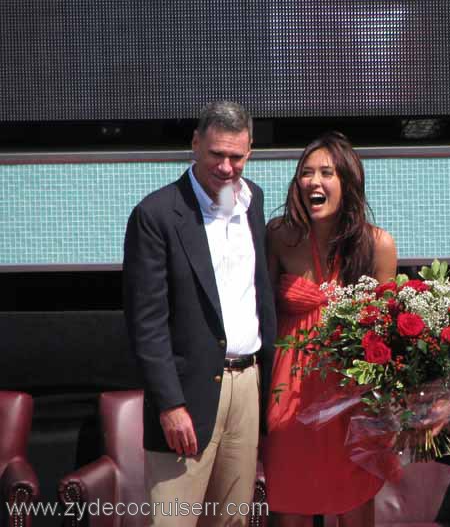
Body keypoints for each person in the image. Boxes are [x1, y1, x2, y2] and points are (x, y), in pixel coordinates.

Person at [123, 100, 276, 526]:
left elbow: (256, 291)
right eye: (216, 154)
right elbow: (146, 322)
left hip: (247, 386)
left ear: (250, 152)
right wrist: (169, 404)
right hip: (187, 394)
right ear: (195, 144)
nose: (226, 168)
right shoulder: (156, 215)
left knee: (232, 520)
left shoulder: (252, 201)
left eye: (237, 157)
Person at [263, 132, 397, 527]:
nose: (313, 182)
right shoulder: (277, 237)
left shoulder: (377, 245)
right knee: (290, 507)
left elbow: (386, 336)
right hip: (287, 398)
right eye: (306, 173)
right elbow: (262, 317)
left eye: (326, 172)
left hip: (350, 401)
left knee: (354, 507)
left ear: (348, 182)